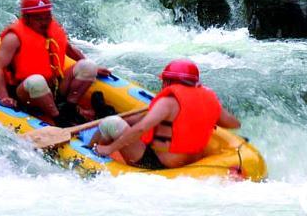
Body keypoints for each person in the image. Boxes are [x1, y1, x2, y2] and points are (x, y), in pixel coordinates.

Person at [91, 59, 240, 169]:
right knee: (119, 120)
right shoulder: (207, 101)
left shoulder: (167, 103)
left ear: (168, 82)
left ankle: (90, 149)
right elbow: (234, 124)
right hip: (191, 164)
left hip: (157, 164)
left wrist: (110, 148)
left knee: (110, 123)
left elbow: (140, 129)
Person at [0, 0, 109, 125]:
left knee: (89, 66)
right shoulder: (13, 38)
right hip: (26, 91)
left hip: (55, 85)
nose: (44, 22)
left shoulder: (53, 27)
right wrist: (4, 97)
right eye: (38, 19)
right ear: (27, 18)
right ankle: (58, 119)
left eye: (47, 17)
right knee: (37, 81)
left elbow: (68, 49)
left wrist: (95, 68)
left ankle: (69, 108)